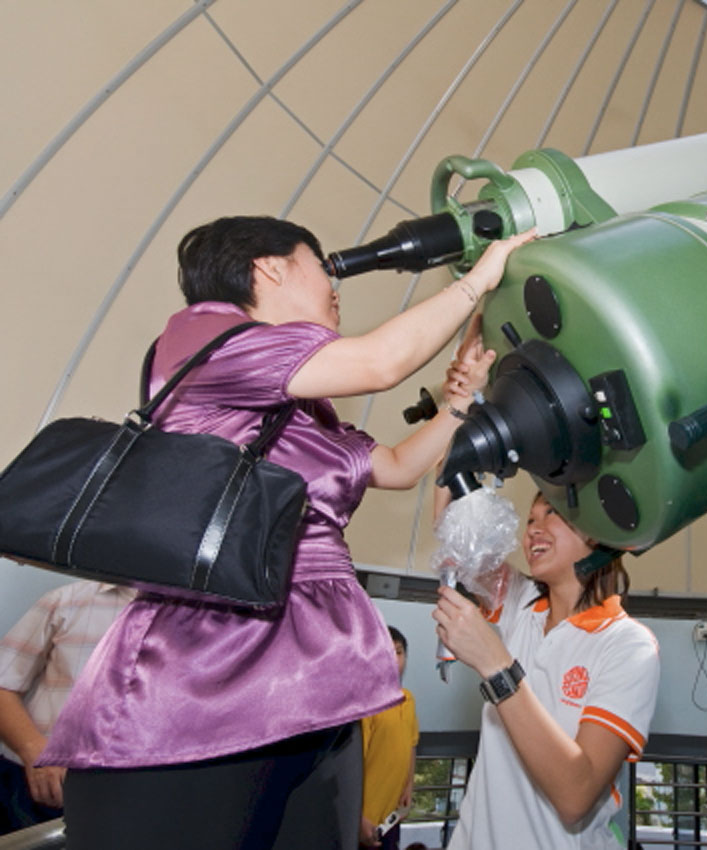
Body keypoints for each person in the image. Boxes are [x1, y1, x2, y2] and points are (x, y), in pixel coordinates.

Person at [36, 215, 534, 850]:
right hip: (208, 673)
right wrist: (481, 277)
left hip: (319, 680)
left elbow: (397, 467)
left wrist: (460, 400)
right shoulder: (204, 337)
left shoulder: (303, 406)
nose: (335, 285)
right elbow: (381, 362)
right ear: (269, 268)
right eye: (320, 266)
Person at [432, 483, 661, 849]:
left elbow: (576, 795)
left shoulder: (627, 644)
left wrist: (498, 668)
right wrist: (451, 467)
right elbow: (458, 538)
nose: (533, 531)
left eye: (552, 513)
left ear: (596, 530)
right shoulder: (521, 604)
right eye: (530, 520)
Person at [0, 580, 134, 834]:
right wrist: (35, 751)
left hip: (141, 798)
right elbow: (2, 686)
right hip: (36, 793)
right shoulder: (66, 601)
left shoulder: (204, 617)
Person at [359, 626, 419, 850]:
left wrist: (408, 786)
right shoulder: (364, 703)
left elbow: (411, 745)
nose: (394, 659)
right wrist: (356, 817)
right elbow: (351, 768)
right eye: (386, 652)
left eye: (399, 652)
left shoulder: (408, 700)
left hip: (391, 817)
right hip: (363, 822)